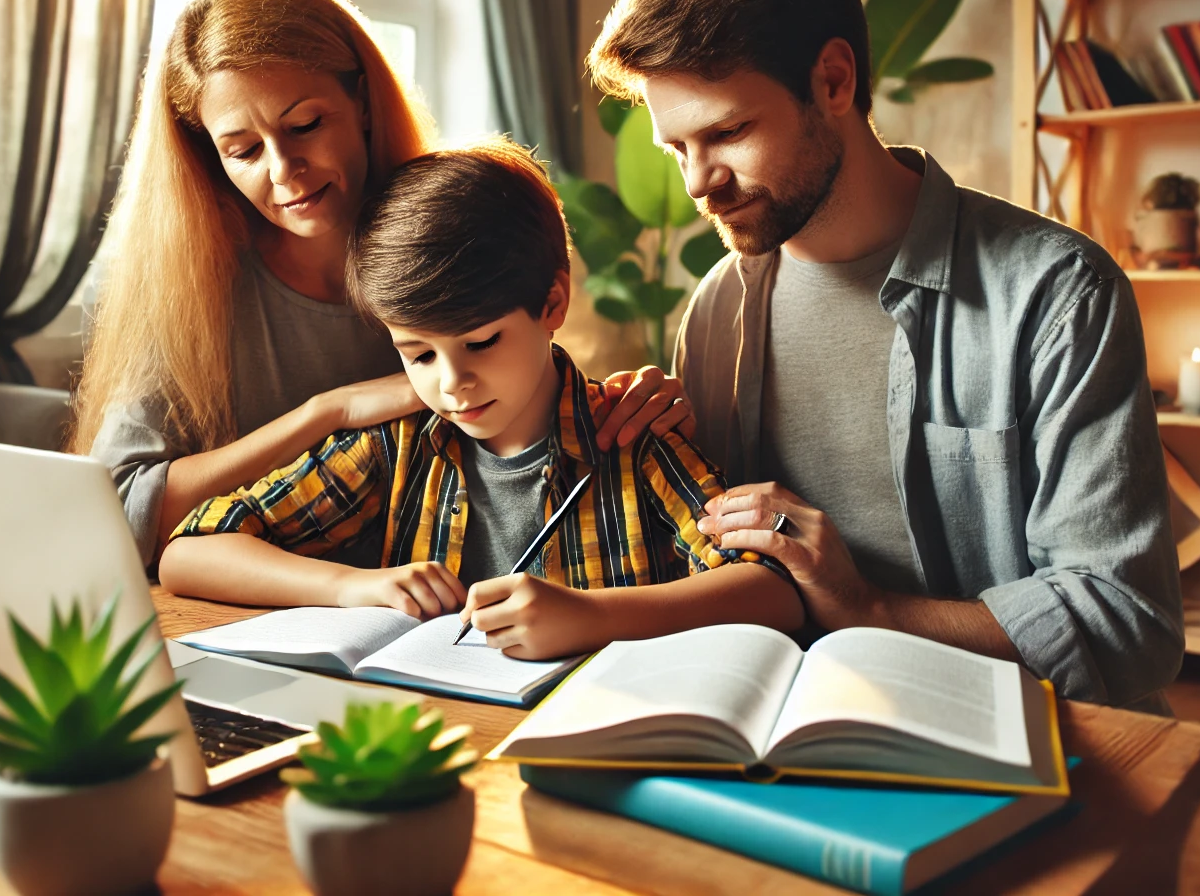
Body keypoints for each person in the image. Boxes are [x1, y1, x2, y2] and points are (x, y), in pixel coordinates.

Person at [586, 0, 1182, 709]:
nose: (697, 182)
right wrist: (624, 450)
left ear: (833, 81)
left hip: (1020, 740)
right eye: (676, 147)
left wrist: (868, 612)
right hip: (784, 733)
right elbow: (715, 567)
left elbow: (1125, 622)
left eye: (726, 133)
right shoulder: (717, 311)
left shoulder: (1055, 294)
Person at [71, 0, 693, 565]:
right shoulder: (191, 291)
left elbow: (533, 396)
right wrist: (327, 413)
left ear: (363, 100)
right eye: (244, 151)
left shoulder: (435, 233)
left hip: (417, 618)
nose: (285, 171)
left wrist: (635, 402)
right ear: (210, 155)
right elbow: (105, 511)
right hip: (237, 603)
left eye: (306, 124)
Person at [158, 141, 804, 660]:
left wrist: (591, 618)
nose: (451, 383)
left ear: (552, 304)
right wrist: (352, 587)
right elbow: (189, 551)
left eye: (482, 342)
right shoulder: (400, 442)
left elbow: (774, 590)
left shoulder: (632, 434)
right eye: (418, 355)